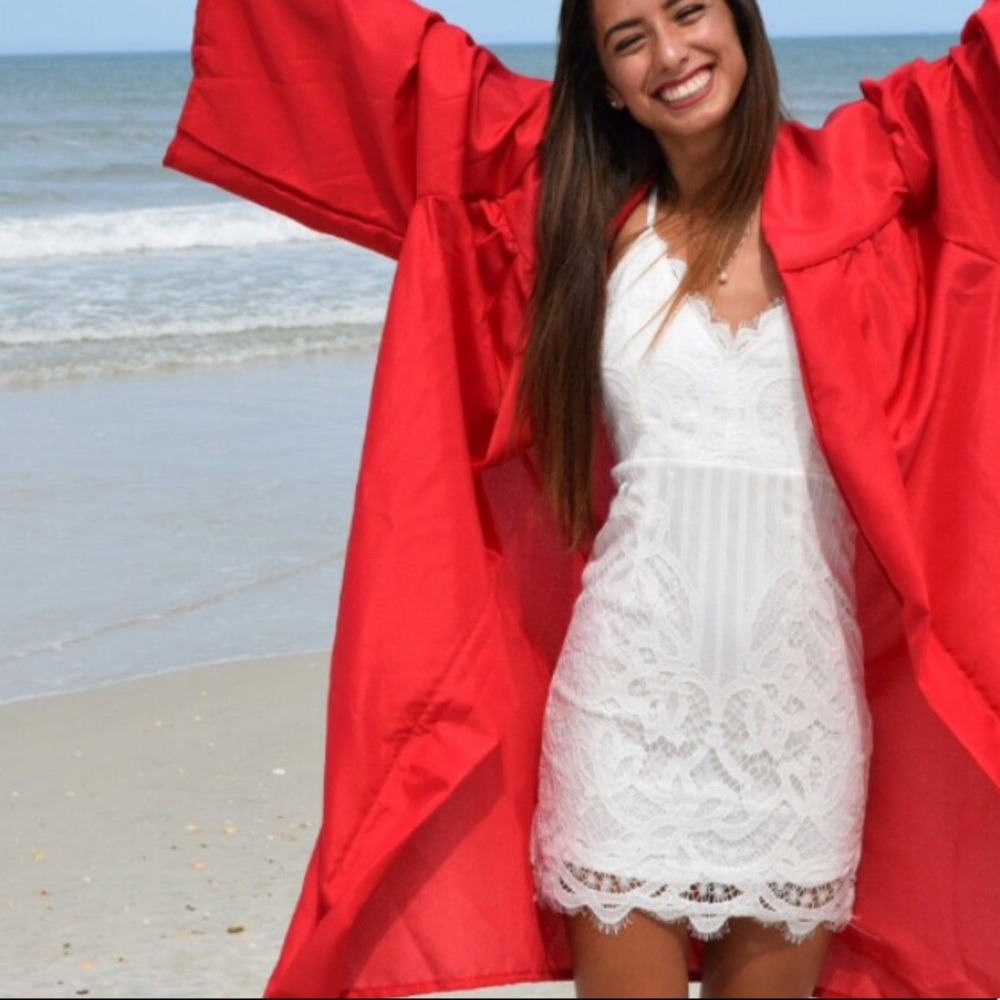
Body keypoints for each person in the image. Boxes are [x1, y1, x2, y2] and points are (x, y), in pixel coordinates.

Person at [165, 1, 1000, 997]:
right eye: (629, 39)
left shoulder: (872, 184)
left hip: (799, 717)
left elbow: (984, 87)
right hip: (627, 706)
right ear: (605, 81)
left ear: (740, 22)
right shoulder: (571, 209)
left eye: (689, 13)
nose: (671, 53)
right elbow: (402, 71)